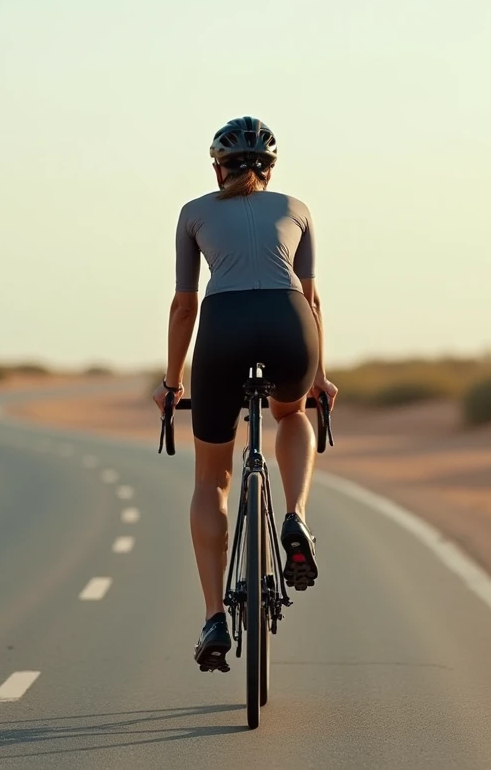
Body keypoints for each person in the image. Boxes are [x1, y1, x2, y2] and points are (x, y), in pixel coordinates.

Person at [153, 116, 338, 672]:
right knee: (291, 413)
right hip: (290, 322)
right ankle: (296, 515)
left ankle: (214, 616)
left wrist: (171, 383)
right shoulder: (297, 209)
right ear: (272, 169)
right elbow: (312, 298)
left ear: (217, 166)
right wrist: (320, 377)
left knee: (212, 478)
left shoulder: (195, 213)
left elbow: (185, 305)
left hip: (223, 327)